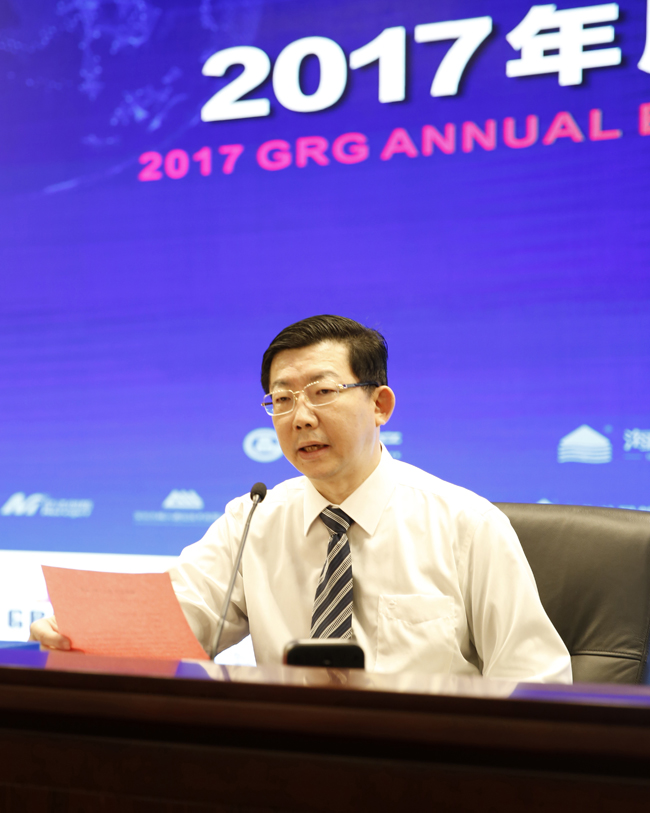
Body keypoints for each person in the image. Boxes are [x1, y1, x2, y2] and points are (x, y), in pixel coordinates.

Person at [31, 315, 572, 683]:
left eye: (322, 392)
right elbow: (175, 619)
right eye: (282, 399)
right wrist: (79, 631)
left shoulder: (467, 525)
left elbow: (536, 679)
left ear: (380, 405)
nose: (301, 417)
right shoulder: (254, 519)